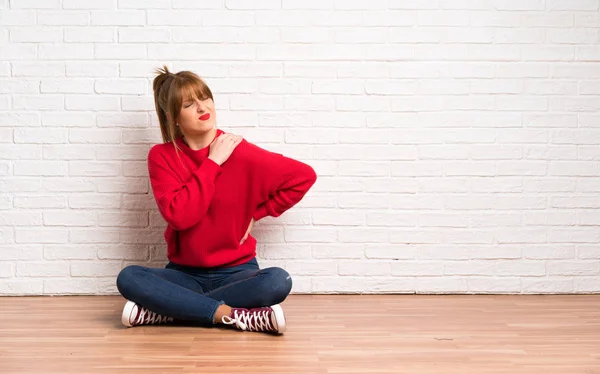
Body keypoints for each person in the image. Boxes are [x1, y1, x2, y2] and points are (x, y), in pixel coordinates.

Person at [115, 66, 317, 335]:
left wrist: (259, 213)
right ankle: (232, 315)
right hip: (183, 275)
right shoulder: (162, 156)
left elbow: (303, 176)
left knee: (278, 281)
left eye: (204, 98)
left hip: (237, 274)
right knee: (128, 278)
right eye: (189, 104)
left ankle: (170, 312)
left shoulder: (239, 150)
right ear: (174, 117)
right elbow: (180, 217)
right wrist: (212, 162)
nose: (202, 108)